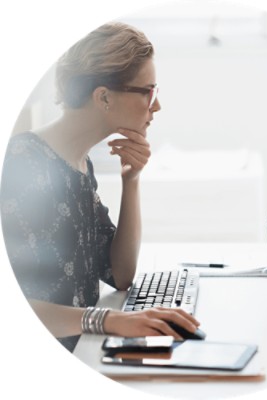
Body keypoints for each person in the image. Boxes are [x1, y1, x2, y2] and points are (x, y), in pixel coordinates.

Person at [0, 22, 200, 352]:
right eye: (149, 92)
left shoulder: (78, 164)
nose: (157, 106)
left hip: (83, 351)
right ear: (104, 97)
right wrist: (108, 319)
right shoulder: (24, 164)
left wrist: (131, 181)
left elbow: (120, 275)